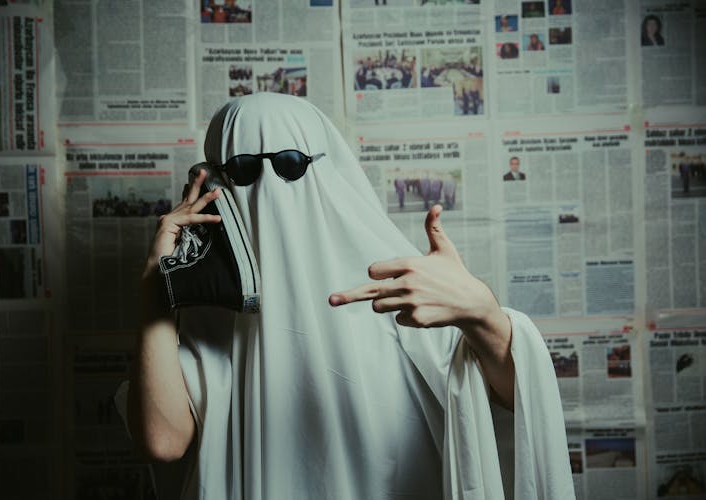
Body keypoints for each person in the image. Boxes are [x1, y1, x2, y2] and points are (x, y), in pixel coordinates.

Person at [124, 93, 573, 499]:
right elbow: (163, 441)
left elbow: (512, 401)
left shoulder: (404, 285)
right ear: (213, 184)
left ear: (324, 166)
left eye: (289, 163)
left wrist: (481, 314)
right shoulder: (210, 313)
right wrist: (155, 286)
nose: (268, 190)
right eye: (242, 169)